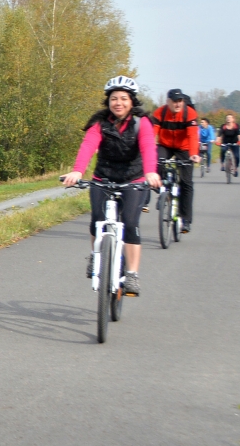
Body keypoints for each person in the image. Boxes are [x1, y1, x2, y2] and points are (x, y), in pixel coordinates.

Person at [60, 76, 161, 296]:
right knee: (97, 220)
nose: (118, 103)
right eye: (114, 98)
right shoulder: (100, 123)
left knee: (131, 223)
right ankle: (96, 256)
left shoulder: (141, 122)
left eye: (123, 98)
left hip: (133, 178)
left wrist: (151, 171)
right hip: (103, 177)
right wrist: (78, 170)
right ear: (108, 102)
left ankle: (132, 274)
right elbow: (88, 145)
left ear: (132, 101)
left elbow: (148, 147)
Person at [150, 88, 200, 233]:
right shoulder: (160, 112)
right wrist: (147, 150)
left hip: (184, 148)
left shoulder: (190, 113)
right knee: (156, 161)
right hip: (165, 145)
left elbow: (192, 136)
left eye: (180, 101)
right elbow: (152, 134)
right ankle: (162, 189)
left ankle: (185, 219)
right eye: (175, 101)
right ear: (168, 102)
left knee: (186, 182)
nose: (178, 104)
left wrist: (194, 154)